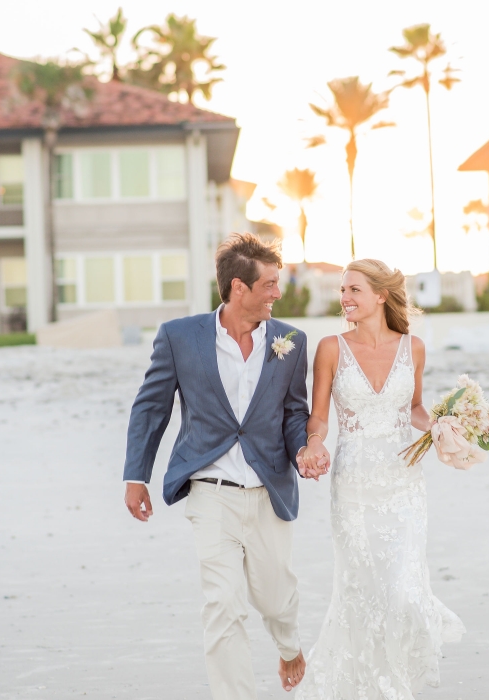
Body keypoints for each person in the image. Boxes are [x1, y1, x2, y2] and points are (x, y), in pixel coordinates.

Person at [122, 233, 329, 699]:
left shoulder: (291, 341)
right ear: (239, 288)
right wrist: (137, 476)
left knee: (275, 598)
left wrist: (303, 450)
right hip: (209, 489)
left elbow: (294, 413)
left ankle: (289, 644)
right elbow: (151, 408)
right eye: (270, 284)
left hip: (268, 487)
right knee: (223, 605)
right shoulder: (179, 336)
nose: (278, 292)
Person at [296, 259, 465, 699]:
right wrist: (314, 444)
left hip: (403, 485)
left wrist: (441, 426)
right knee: (360, 590)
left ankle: (394, 683)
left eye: (354, 289)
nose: (345, 298)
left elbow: (413, 408)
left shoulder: (415, 348)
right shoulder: (331, 348)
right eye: (342, 290)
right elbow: (318, 417)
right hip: (353, 487)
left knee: (402, 591)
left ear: (380, 296)